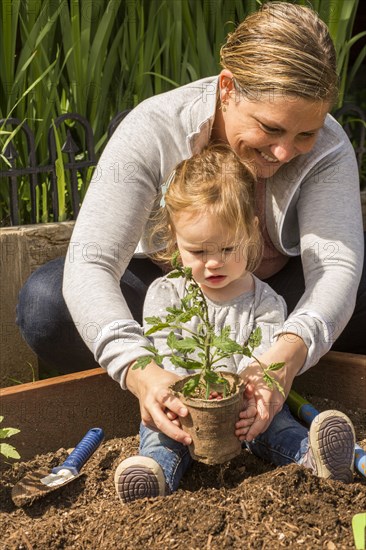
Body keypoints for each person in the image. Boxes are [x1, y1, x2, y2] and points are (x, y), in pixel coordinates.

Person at [16, 3, 364, 469]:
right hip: (168, 306)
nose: (285, 151)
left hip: (269, 304)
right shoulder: (153, 128)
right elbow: (92, 262)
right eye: (270, 127)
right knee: (46, 304)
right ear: (227, 89)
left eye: (306, 133)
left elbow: (335, 267)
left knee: (354, 288)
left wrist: (285, 355)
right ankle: (160, 395)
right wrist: (140, 368)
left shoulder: (329, 146)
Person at [113, 145, 356, 503]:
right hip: (185, 411)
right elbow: (163, 348)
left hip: (243, 410)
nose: (213, 264)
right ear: (175, 238)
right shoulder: (166, 295)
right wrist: (184, 397)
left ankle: (312, 455)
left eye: (227, 249)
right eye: (198, 251)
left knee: (276, 424)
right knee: (159, 435)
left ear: (252, 233)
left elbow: (265, 359)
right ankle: (154, 476)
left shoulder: (267, 301)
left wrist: (247, 400)